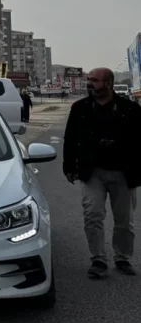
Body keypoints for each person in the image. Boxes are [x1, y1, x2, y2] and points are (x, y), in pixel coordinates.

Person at [63, 68, 141, 278]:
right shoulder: (80, 108)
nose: (90, 84)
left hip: (124, 173)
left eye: (95, 80)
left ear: (108, 83)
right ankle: (98, 260)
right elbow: (70, 139)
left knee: (124, 220)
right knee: (93, 214)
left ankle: (122, 258)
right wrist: (69, 167)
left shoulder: (130, 109)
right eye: (89, 80)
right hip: (92, 172)